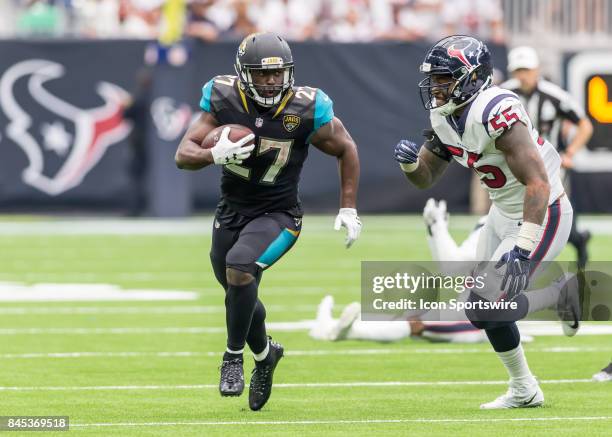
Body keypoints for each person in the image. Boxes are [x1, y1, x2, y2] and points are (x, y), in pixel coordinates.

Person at [175, 32, 361, 411]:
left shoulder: (307, 107)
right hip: (231, 211)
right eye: (262, 75)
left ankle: (232, 358)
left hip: (279, 214)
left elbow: (346, 148)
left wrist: (348, 207)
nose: (272, 82)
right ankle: (265, 356)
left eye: (278, 74)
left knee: (240, 270)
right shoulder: (223, 98)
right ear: (244, 75)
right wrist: (215, 156)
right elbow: (183, 154)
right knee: (237, 292)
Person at [394, 35, 579, 409]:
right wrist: (411, 164)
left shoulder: (496, 109)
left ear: (472, 77)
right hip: (501, 213)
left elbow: (538, 183)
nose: (435, 88)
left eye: (444, 79)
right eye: (434, 80)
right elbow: (427, 176)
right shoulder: (445, 116)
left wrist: (524, 244)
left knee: (485, 305)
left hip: (542, 213)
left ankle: (558, 297)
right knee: (479, 307)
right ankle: (524, 388)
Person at [501, 46, 594, 270]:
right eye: (518, 70)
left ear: (536, 70)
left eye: (527, 69)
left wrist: (570, 153)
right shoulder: (503, 94)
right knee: (514, 216)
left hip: (550, 167)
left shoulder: (554, 96)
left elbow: (585, 125)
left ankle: (577, 240)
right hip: (516, 167)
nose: (523, 75)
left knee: (555, 215)